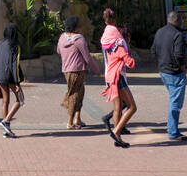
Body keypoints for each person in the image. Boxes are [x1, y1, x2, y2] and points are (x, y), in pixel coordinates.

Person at [99, 8, 136, 148]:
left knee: (117, 108)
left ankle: (118, 137)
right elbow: (123, 54)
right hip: (117, 76)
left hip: (109, 74)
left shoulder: (106, 36)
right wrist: (130, 60)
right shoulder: (117, 38)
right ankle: (116, 131)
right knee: (132, 107)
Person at [57, 14, 101, 130]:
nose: (80, 27)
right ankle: (70, 122)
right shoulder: (79, 39)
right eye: (79, 25)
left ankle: (78, 119)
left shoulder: (62, 37)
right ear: (76, 27)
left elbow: (58, 51)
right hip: (77, 70)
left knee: (80, 92)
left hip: (66, 70)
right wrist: (97, 70)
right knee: (74, 95)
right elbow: (88, 57)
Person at [152, 10, 187, 141]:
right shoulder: (178, 34)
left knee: (173, 99)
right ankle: (173, 132)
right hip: (175, 72)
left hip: (163, 71)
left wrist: (162, 63)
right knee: (175, 102)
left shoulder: (159, 32)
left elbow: (154, 50)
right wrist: (183, 68)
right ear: (176, 20)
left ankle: (172, 129)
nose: (182, 22)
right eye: (181, 20)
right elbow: (179, 55)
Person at [0, 23, 24, 138]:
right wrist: (17, 83)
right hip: (10, 76)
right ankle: (6, 121)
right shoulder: (15, 46)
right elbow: (15, 65)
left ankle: (6, 130)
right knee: (20, 99)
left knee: (5, 102)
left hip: (0, 75)